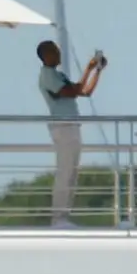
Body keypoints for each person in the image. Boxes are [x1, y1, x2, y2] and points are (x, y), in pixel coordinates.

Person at [36, 40, 106, 227]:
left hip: (72, 126)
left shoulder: (58, 75)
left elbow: (84, 91)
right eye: (54, 51)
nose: (58, 53)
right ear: (46, 55)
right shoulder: (47, 76)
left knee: (72, 172)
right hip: (63, 126)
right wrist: (88, 69)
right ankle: (58, 217)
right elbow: (72, 92)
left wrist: (96, 71)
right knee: (65, 170)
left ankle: (64, 215)